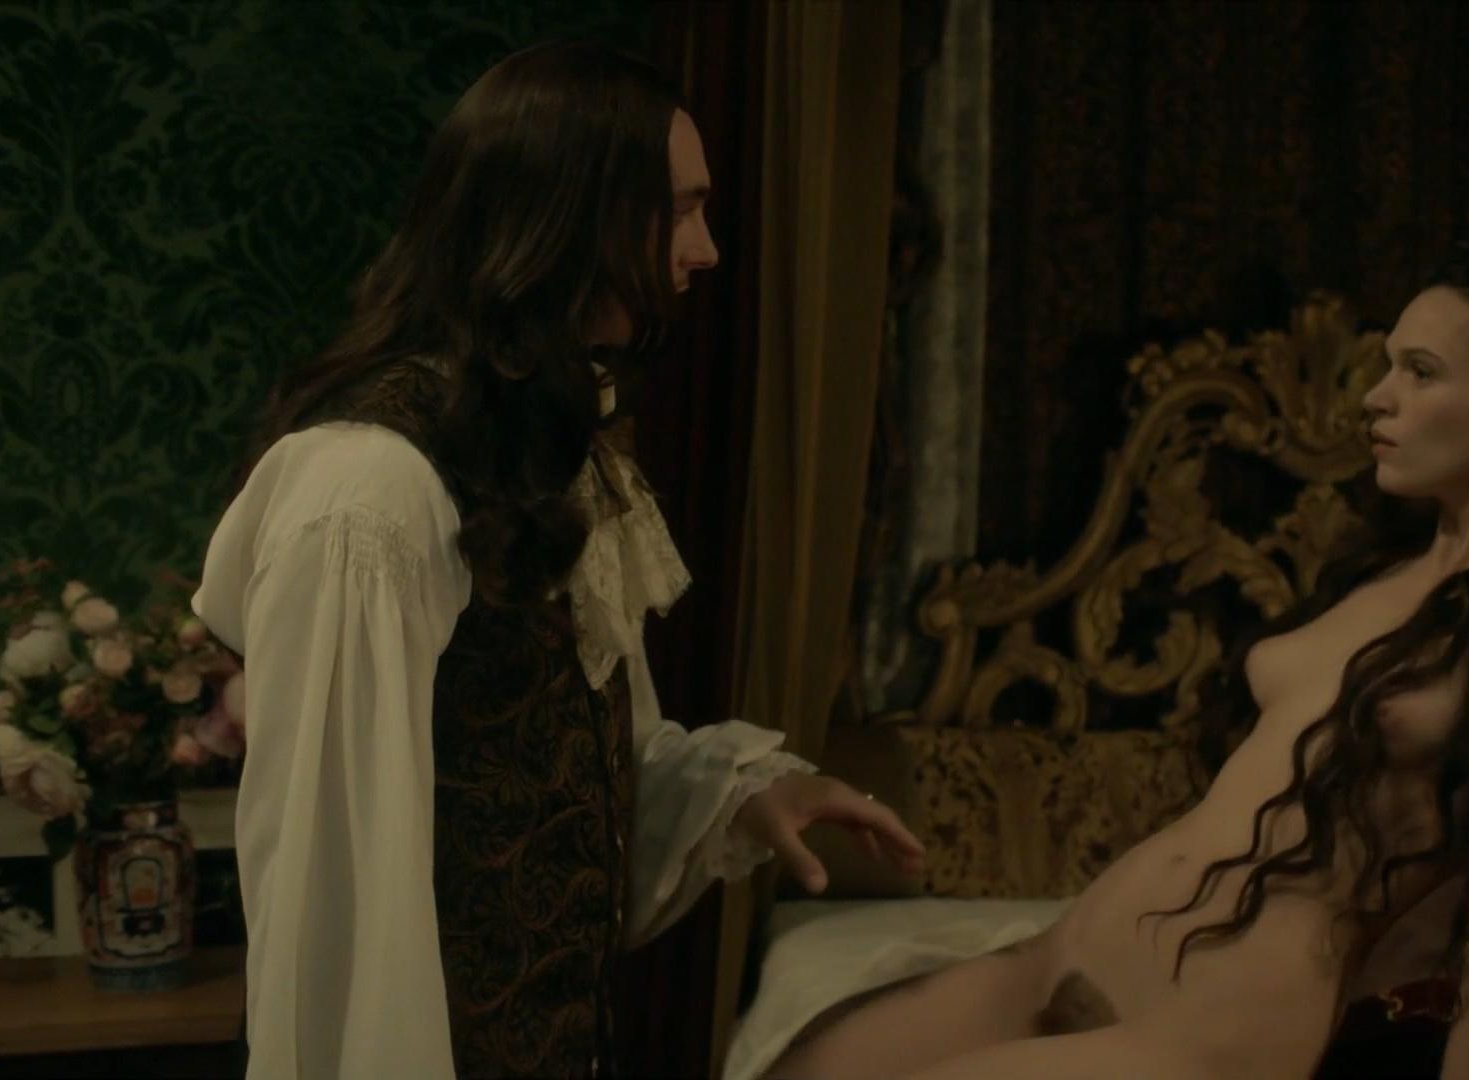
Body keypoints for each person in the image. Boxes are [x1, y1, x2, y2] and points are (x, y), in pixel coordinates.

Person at [191, 41, 924, 1079]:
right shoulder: (372, 490)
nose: (706, 250)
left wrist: (742, 796)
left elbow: (569, 772)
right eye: (680, 210)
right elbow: (341, 900)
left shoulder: (540, 445)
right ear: (572, 215)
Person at [763, 242, 1469, 1080]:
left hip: (1223, 1019)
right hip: (1071, 950)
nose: (1376, 398)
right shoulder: (1386, 569)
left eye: (1420, 372)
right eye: (1386, 366)